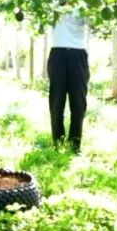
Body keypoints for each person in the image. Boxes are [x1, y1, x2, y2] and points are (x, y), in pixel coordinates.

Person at [47, 10, 89, 152]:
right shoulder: (53, 0)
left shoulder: (85, 0)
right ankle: (58, 143)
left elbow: (94, 21)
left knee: (79, 103)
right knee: (57, 101)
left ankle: (75, 145)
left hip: (78, 53)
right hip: (58, 52)